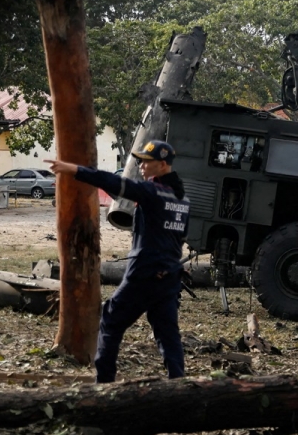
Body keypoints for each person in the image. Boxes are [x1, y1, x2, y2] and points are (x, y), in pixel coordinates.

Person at [46, 140, 191, 383]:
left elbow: (114, 182)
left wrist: (74, 169)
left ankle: (104, 385)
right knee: (168, 334)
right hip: (170, 275)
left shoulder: (152, 192)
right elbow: (180, 237)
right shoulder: (182, 199)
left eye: (147, 161)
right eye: (140, 161)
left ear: (163, 165)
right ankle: (179, 384)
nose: (141, 165)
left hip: (145, 272)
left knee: (110, 322)